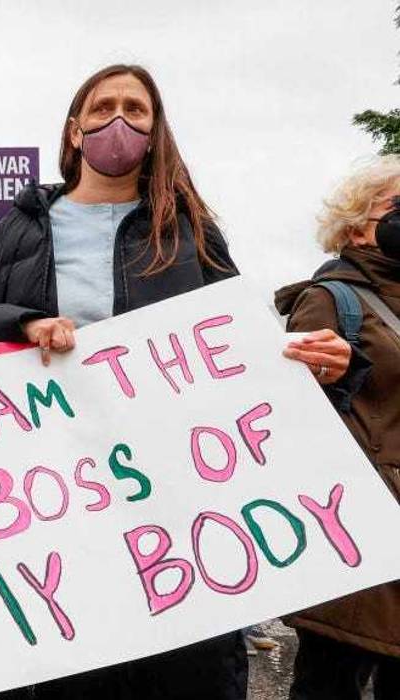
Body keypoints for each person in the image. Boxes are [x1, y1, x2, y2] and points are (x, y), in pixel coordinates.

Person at [0, 64, 242, 700]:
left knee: (186, 665)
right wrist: (25, 322)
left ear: (154, 133)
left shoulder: (188, 230)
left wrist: (320, 368)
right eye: (102, 107)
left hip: (176, 489)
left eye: (135, 109)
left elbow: (241, 345)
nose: (117, 120)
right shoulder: (21, 228)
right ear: (75, 130)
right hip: (55, 493)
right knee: (76, 663)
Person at [274, 156, 400, 700]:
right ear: (355, 226)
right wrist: (326, 373)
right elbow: (286, 414)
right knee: (329, 682)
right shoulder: (330, 300)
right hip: (359, 538)